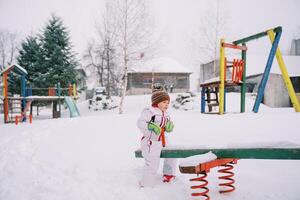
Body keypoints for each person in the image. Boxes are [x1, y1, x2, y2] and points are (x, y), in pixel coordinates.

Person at [137, 88, 177, 187]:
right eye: (164, 102)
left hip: (163, 140)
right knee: (152, 163)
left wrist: (169, 126)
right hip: (151, 141)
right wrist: (150, 126)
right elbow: (140, 122)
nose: (166, 105)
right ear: (157, 102)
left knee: (172, 154)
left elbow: (167, 123)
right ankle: (146, 184)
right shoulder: (149, 111)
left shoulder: (166, 113)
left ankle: (168, 175)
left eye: (168, 103)